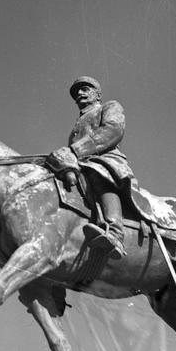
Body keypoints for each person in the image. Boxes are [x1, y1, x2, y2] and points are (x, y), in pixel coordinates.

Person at [46, 76, 133, 259]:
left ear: (98, 94)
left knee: (98, 173)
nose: (79, 93)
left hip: (106, 160)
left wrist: (75, 151)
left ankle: (115, 232)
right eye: (76, 92)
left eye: (85, 89)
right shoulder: (76, 127)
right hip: (81, 162)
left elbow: (113, 130)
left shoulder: (109, 107)